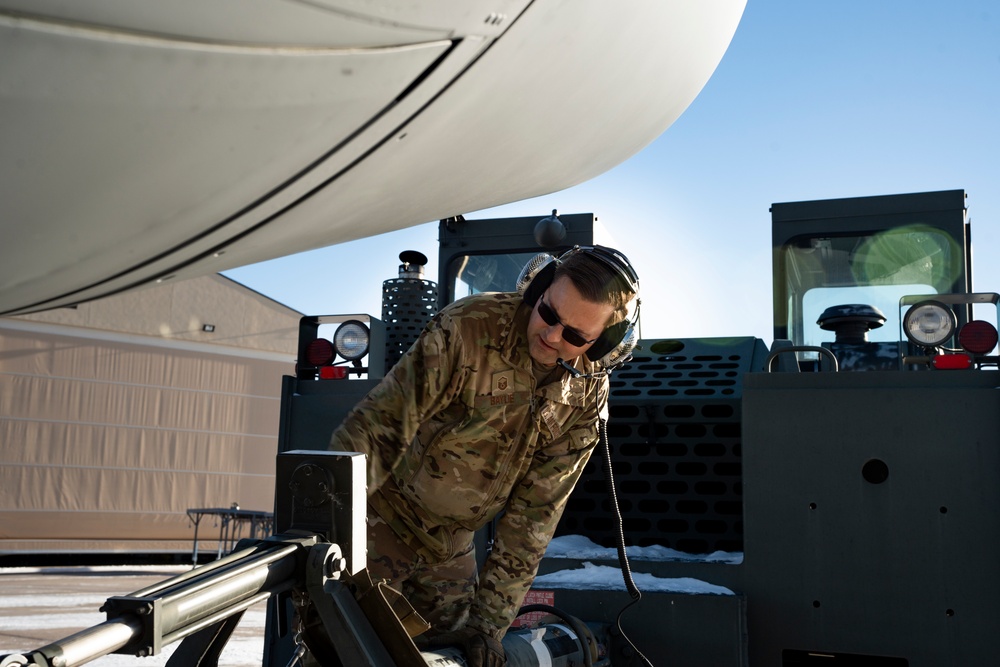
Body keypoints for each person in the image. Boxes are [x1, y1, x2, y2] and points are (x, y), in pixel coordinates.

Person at [328, 245, 639, 666]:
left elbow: (534, 516)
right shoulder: (469, 329)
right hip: (379, 521)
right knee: (340, 653)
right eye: (549, 314)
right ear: (539, 289)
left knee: (454, 657)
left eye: (574, 336)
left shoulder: (586, 396)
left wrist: (488, 625)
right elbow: (382, 425)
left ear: (602, 343)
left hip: (453, 548)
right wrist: (328, 531)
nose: (551, 336)